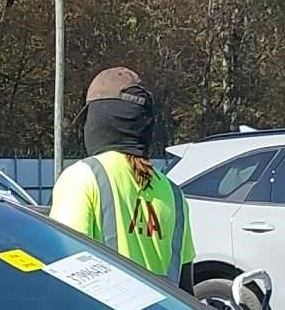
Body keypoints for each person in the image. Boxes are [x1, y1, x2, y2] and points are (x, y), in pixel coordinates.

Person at [49, 68, 194, 284]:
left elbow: (63, 269)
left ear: (100, 119)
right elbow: (185, 288)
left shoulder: (82, 178)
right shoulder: (174, 195)